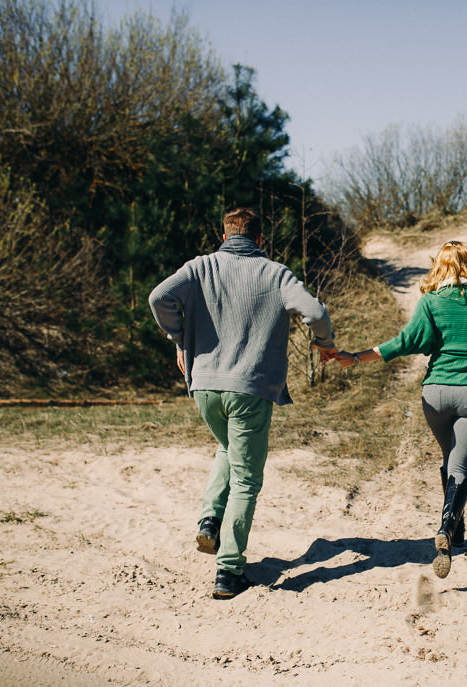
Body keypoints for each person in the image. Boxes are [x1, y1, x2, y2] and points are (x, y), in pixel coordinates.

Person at [148, 207, 337, 599]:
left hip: (203, 386)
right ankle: (229, 572)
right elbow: (315, 312)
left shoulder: (200, 267)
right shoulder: (276, 273)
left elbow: (158, 297)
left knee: (226, 448)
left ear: (224, 235)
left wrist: (179, 338)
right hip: (250, 389)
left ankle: (209, 519)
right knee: (247, 480)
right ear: (260, 240)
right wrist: (324, 343)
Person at [339, 240, 467, 579]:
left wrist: (357, 356)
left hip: (435, 395)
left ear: (439, 267)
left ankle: (456, 529)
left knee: (450, 459)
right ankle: (446, 527)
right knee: (459, 466)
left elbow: (403, 342)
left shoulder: (430, 301)